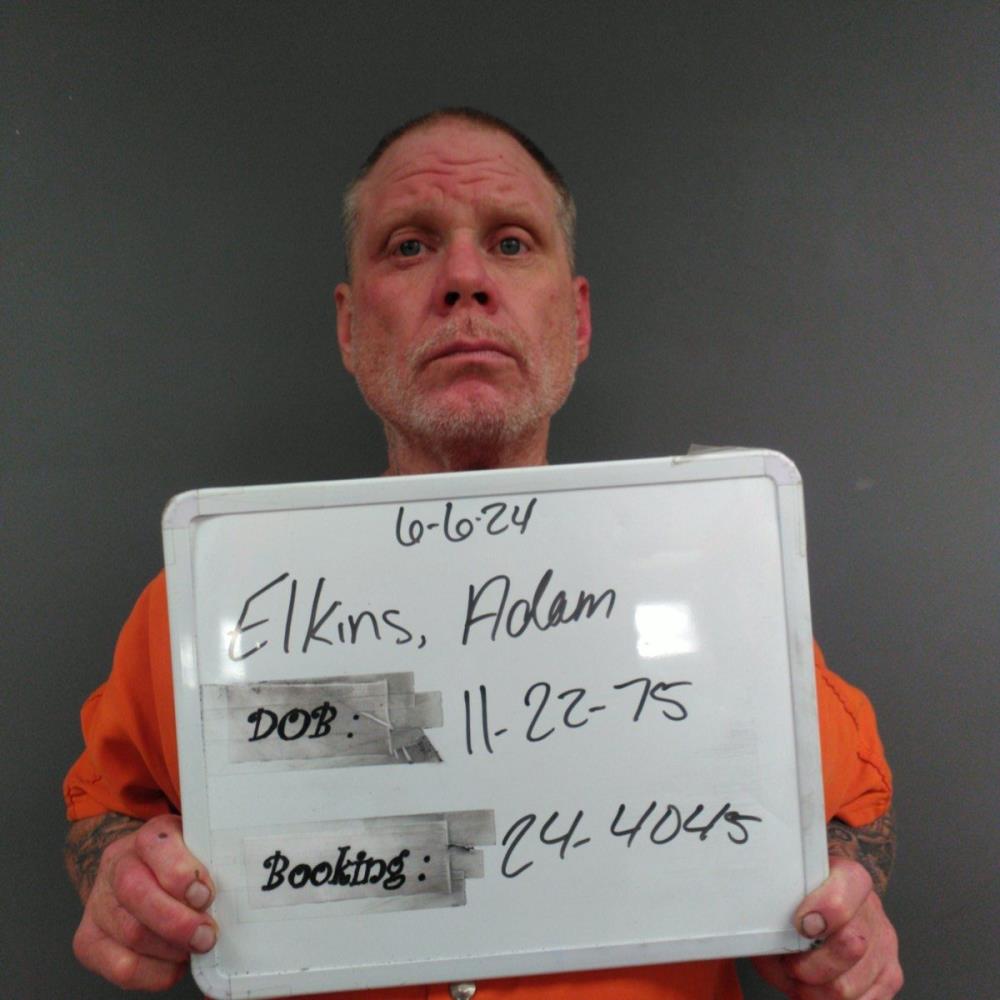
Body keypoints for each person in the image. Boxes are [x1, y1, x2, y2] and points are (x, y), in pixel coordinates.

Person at [64, 108, 902, 1000]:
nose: (465, 279)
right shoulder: (209, 601)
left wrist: (842, 898)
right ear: (348, 328)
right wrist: (120, 875)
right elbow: (111, 804)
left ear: (576, 319)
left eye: (510, 243)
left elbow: (853, 812)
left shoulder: (722, 588)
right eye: (409, 246)